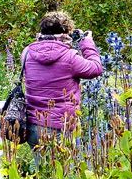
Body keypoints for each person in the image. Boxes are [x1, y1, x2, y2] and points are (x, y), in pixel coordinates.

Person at [21, 11, 103, 149]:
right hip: (60, 128)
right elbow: (96, 68)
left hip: (33, 125)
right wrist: (87, 43)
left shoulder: (27, 52)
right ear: (66, 33)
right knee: (63, 169)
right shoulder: (70, 57)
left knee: (42, 169)